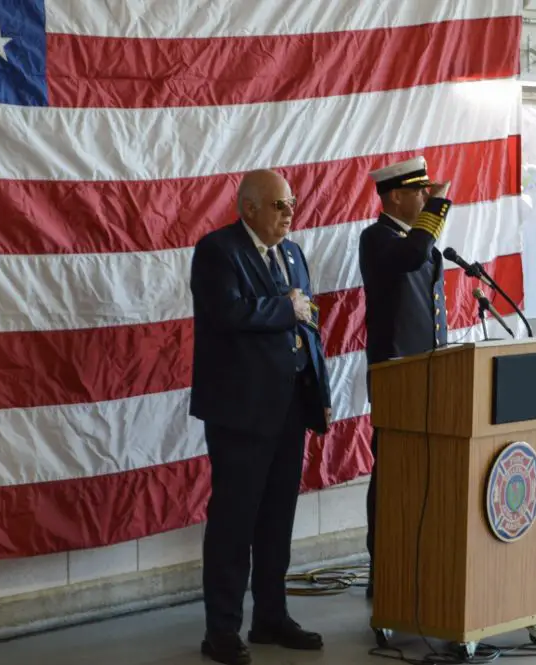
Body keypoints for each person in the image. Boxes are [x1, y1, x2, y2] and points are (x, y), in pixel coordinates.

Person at [189, 169, 334, 664]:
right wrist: (284, 307)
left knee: (276, 520)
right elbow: (229, 313)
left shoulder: (292, 253)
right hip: (240, 412)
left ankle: (270, 616)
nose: (289, 213)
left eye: (291, 203)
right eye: (279, 205)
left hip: (290, 406)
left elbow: (308, 326)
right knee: (234, 523)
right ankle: (221, 631)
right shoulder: (218, 251)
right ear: (248, 207)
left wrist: (320, 390)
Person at [358, 156, 454, 597]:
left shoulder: (418, 241)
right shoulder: (377, 238)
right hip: (397, 373)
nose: (426, 197)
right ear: (395, 195)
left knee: (424, 471)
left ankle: (418, 558)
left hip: (428, 372)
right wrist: (439, 206)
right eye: (420, 192)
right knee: (393, 472)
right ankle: (385, 567)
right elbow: (413, 254)